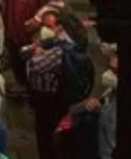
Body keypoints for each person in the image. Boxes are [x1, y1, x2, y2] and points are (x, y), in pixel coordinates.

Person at [26, 9, 92, 159]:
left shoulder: (60, 51)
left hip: (49, 99)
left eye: (51, 26)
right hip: (64, 97)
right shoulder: (75, 46)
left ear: (60, 28)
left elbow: (34, 65)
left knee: (46, 135)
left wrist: (36, 53)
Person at [0, 0, 45, 92]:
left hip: (29, 34)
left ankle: (28, 87)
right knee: (15, 59)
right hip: (12, 30)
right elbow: (2, 2)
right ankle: (20, 84)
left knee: (29, 62)